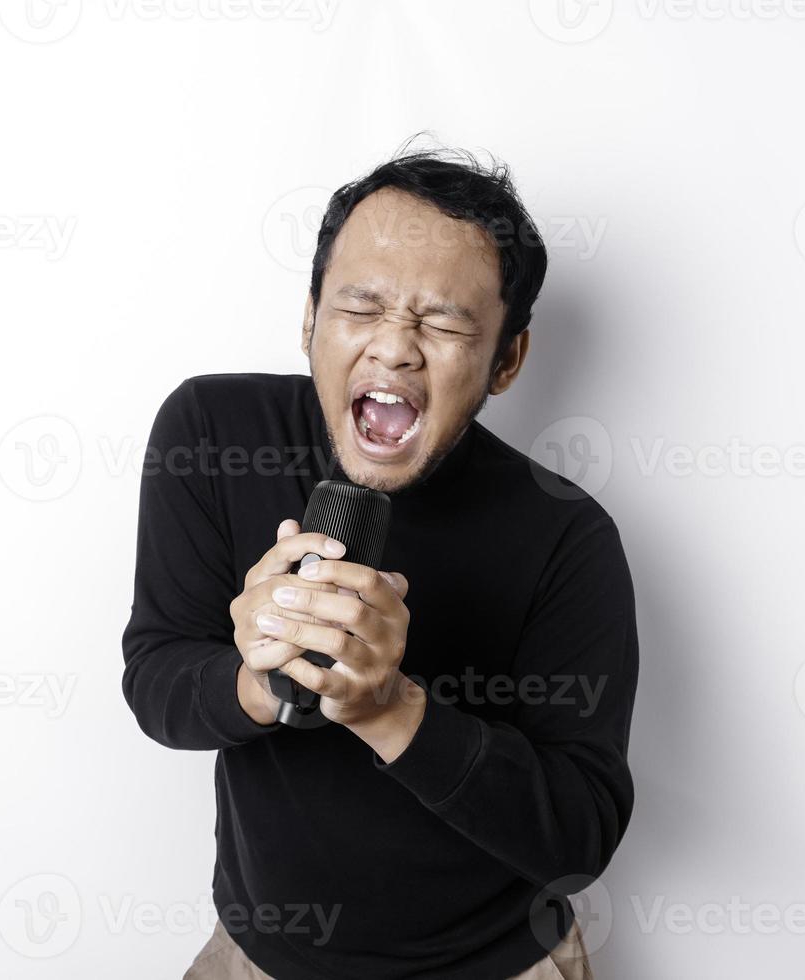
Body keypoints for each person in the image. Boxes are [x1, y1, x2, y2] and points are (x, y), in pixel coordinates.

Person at [122, 144, 638, 979]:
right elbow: (156, 676)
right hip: (259, 959)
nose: (396, 349)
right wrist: (257, 676)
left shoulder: (568, 538)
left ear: (507, 358)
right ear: (309, 319)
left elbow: (579, 835)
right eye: (360, 306)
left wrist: (388, 705)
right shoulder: (212, 435)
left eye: (443, 323)